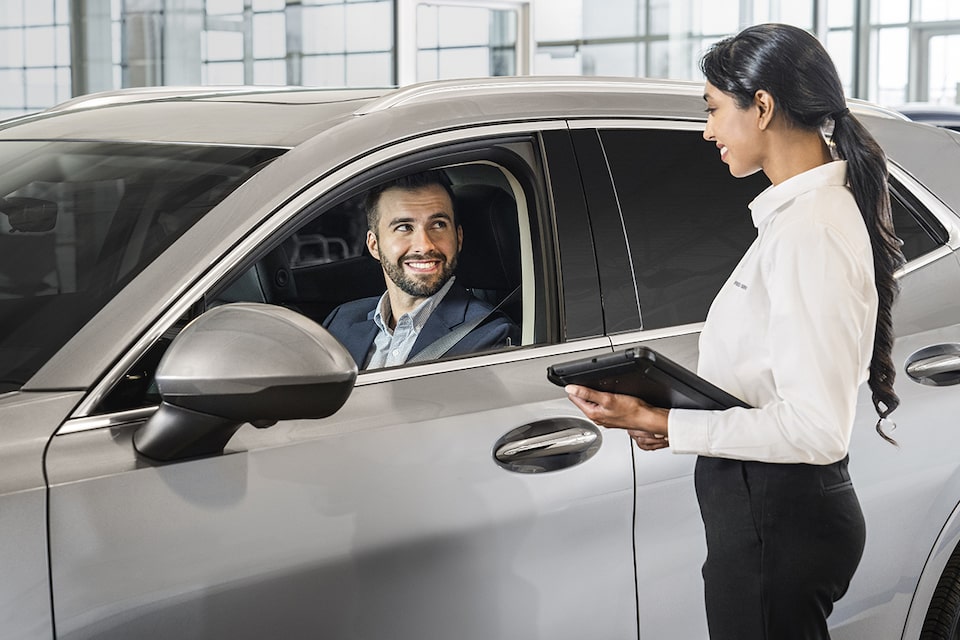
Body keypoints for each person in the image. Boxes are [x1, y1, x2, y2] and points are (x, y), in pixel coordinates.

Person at [564, 23, 904, 640]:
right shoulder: (798, 220)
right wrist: (671, 416)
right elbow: (772, 385)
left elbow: (815, 429)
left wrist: (665, 422)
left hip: (780, 519)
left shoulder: (812, 231)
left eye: (714, 110)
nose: (708, 131)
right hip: (769, 514)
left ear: (764, 106)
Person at [324, 170, 519, 369]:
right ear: (374, 245)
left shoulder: (490, 337)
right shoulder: (341, 320)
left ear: (458, 238)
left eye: (438, 225)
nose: (425, 245)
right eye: (404, 227)